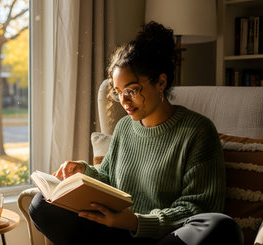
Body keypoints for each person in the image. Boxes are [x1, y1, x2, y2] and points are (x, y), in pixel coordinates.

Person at [29, 21, 243, 245]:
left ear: (161, 82)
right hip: (116, 233)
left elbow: (198, 207)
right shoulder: (124, 128)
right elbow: (110, 182)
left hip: (165, 237)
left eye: (131, 90)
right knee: (42, 203)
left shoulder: (198, 131)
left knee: (221, 226)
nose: (124, 101)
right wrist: (84, 172)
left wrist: (136, 222)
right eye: (118, 91)